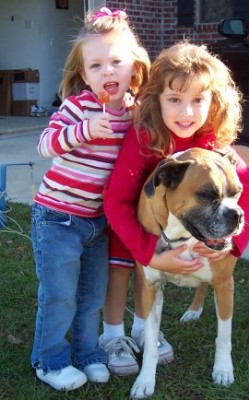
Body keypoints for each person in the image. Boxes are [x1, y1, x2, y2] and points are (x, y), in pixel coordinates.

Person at [102, 41, 249, 376]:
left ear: (213, 101)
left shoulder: (215, 145)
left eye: (198, 100)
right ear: (156, 99)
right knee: (121, 263)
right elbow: (117, 198)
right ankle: (113, 334)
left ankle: (145, 331)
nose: (186, 113)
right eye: (174, 100)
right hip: (136, 220)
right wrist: (151, 254)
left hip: (181, 224)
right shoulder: (145, 136)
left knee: (152, 277)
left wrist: (234, 246)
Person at [30, 7, 150, 391]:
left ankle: (88, 354)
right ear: (84, 75)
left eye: (117, 61)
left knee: (92, 297)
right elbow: (45, 144)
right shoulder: (78, 107)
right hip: (57, 218)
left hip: (97, 223)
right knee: (60, 296)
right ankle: (49, 361)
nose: (108, 72)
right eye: (96, 65)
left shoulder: (135, 114)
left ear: (134, 67)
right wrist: (81, 131)